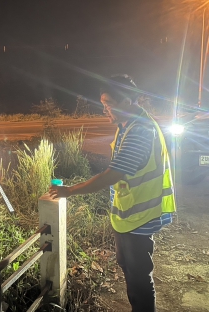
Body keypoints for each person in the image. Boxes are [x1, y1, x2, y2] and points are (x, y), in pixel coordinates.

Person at [49, 75, 176, 312]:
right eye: (104, 103)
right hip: (128, 215)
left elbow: (113, 174)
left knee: (139, 279)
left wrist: (70, 191)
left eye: (109, 103)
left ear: (128, 100)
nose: (105, 109)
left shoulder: (140, 131)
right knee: (128, 267)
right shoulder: (127, 125)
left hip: (140, 216)